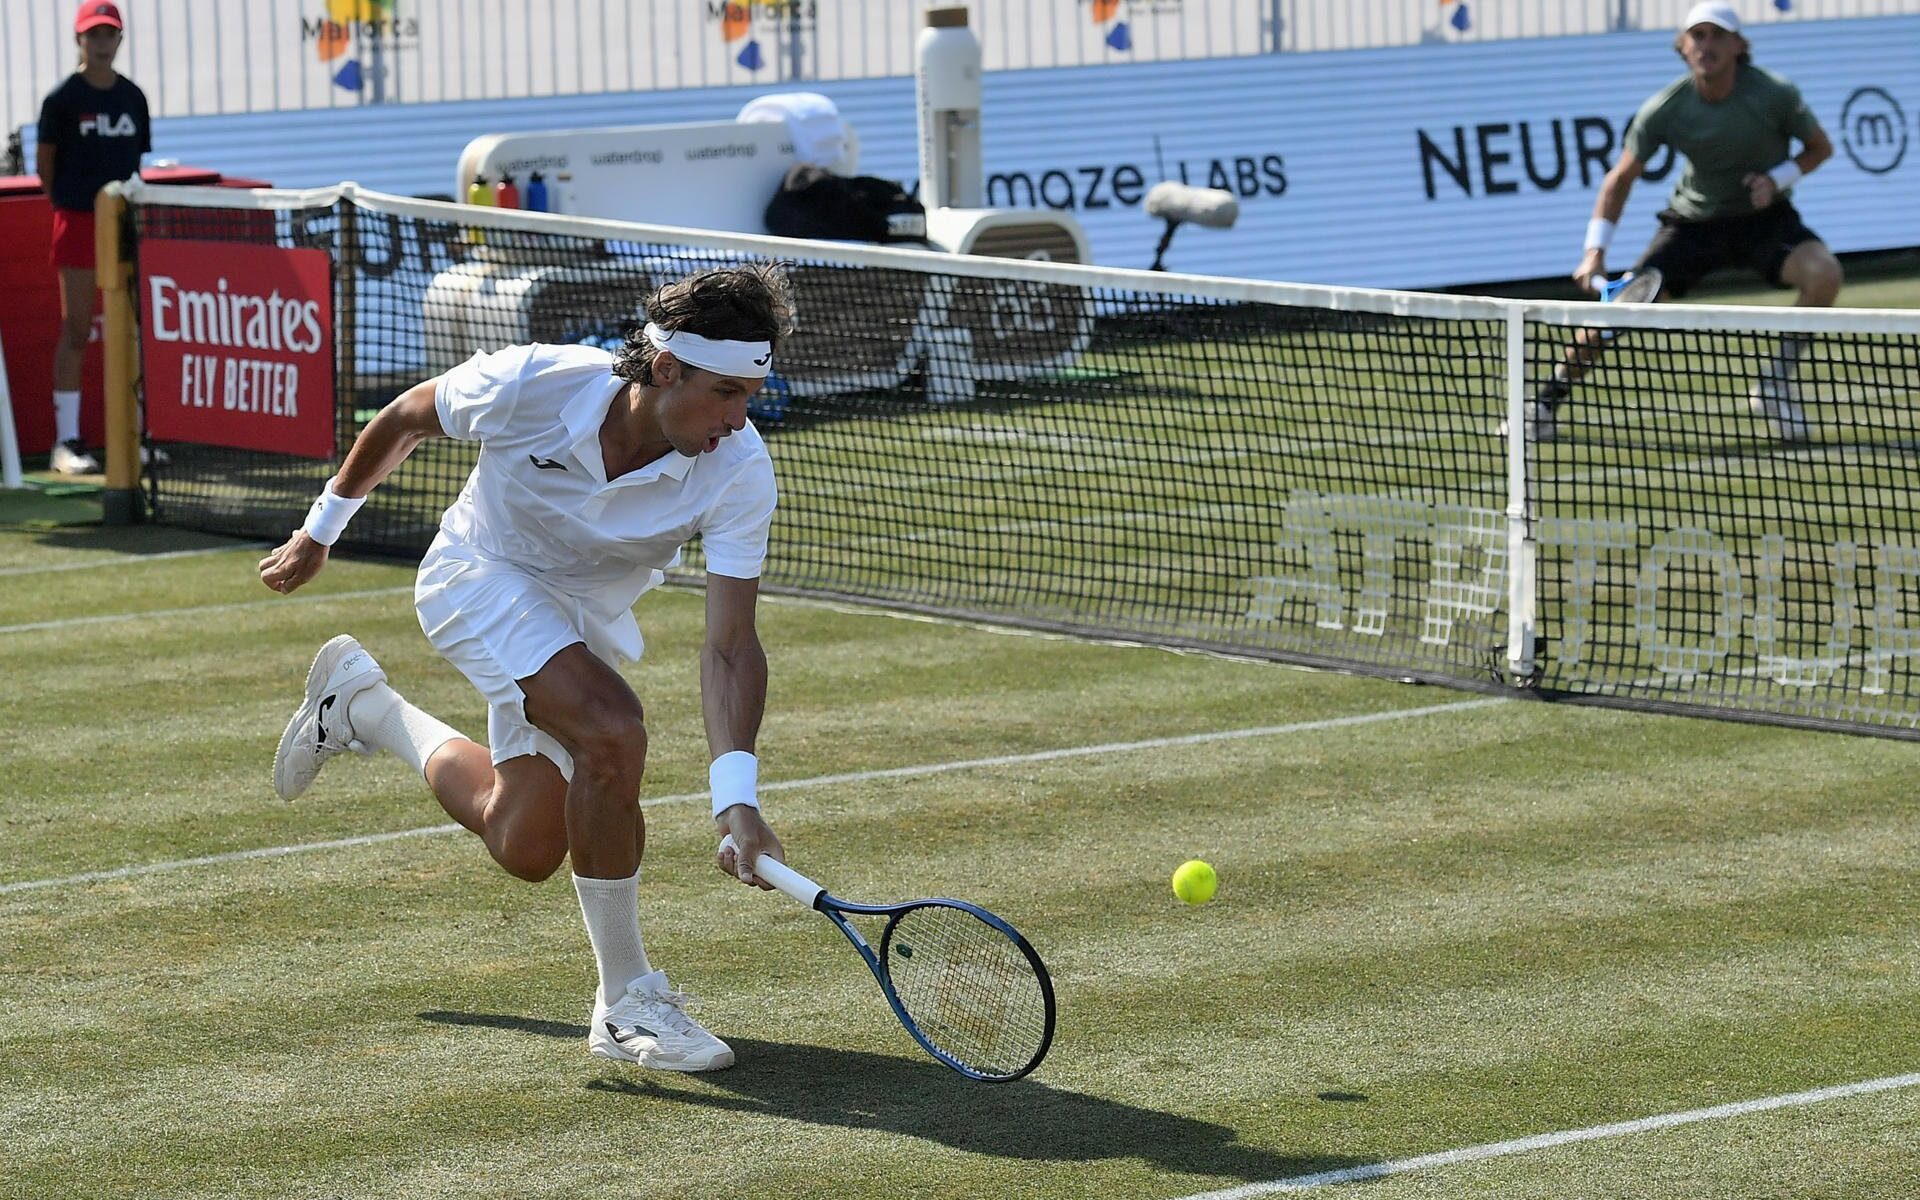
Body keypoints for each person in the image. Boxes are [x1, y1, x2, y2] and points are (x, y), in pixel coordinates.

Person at [258, 263, 794, 1073]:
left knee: (528, 843)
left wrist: (737, 798)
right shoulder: (533, 382)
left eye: (749, 395)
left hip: (581, 619)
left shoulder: (741, 468)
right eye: (724, 392)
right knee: (614, 730)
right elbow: (406, 415)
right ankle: (627, 1002)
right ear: (665, 366)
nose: (738, 416)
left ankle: (363, 707)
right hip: (478, 574)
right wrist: (320, 530)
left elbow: (729, 645)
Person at [1527, 0, 1842, 444]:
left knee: (1825, 275)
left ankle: (1776, 383)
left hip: (1765, 219)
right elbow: (1619, 181)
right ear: (1683, 46)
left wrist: (1775, 178)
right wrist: (1594, 253)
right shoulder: (1666, 108)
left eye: (1717, 35)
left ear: (1738, 46)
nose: (1706, 44)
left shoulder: (1775, 94)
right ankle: (1544, 404)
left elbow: (1819, 148)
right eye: (1698, 35)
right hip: (1693, 226)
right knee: (1613, 316)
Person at [35, 1, 151, 475]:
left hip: (125, 226)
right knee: (78, 328)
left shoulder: (133, 97)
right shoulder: (61, 99)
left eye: (109, 35)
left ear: (119, 41)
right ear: (79, 40)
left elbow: (135, 165)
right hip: (78, 221)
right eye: (93, 35)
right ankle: (66, 443)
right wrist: (70, 203)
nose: (101, 43)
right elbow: (45, 165)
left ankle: (135, 439)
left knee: (133, 331)